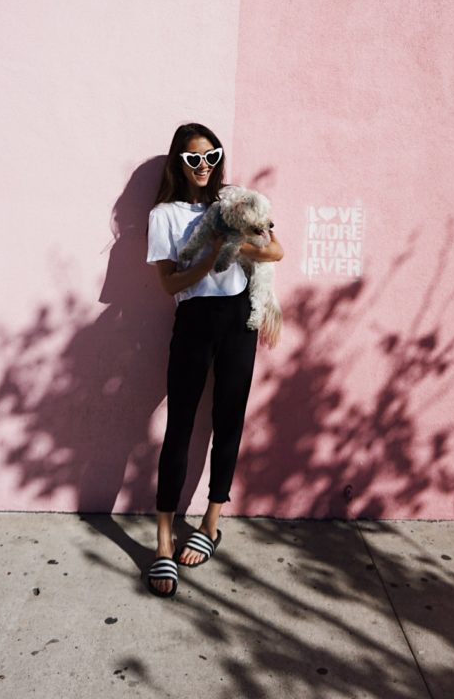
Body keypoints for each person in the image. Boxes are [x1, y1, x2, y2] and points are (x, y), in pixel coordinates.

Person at [144, 122, 284, 597]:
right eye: (192, 158)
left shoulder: (235, 203)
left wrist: (235, 246)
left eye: (210, 156)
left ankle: (211, 520)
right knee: (179, 427)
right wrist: (207, 260)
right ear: (178, 163)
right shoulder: (163, 215)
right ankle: (163, 541)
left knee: (229, 422)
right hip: (194, 321)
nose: (203, 166)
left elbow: (276, 250)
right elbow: (168, 284)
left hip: (237, 319)